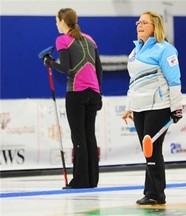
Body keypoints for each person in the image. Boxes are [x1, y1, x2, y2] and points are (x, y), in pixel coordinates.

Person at [122, 11, 183, 205]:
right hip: (139, 107)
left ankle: (156, 194)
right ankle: (150, 191)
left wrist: (176, 108)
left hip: (159, 106)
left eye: (144, 23)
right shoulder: (135, 52)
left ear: (155, 26)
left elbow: (174, 81)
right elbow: (133, 82)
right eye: (138, 22)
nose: (139, 25)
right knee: (147, 150)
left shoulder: (166, 49)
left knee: (152, 150)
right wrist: (129, 106)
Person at [42, 8, 103, 189]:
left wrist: (50, 62)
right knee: (89, 135)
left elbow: (68, 69)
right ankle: (92, 180)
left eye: (56, 21)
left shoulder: (63, 40)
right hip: (93, 92)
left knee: (79, 137)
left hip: (77, 92)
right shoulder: (90, 39)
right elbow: (99, 69)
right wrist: (99, 93)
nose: (56, 24)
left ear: (62, 21)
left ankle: (80, 180)